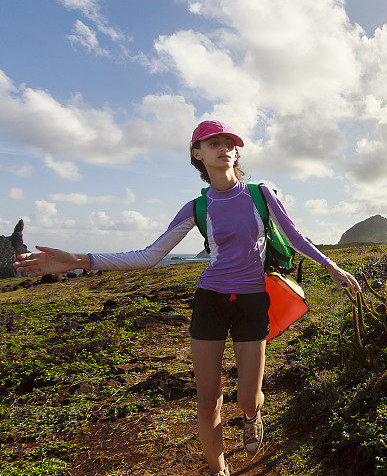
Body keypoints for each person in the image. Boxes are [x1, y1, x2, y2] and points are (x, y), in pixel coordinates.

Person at [13, 120, 362, 476]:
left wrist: (331, 266)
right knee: (208, 398)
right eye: (213, 143)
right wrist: (79, 260)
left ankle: (252, 416)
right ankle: (218, 469)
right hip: (210, 299)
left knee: (246, 397)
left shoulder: (261, 195)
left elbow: (296, 236)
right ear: (197, 154)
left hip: (253, 300)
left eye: (229, 142)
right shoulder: (197, 207)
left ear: (237, 152)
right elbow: (149, 256)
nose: (223, 147)